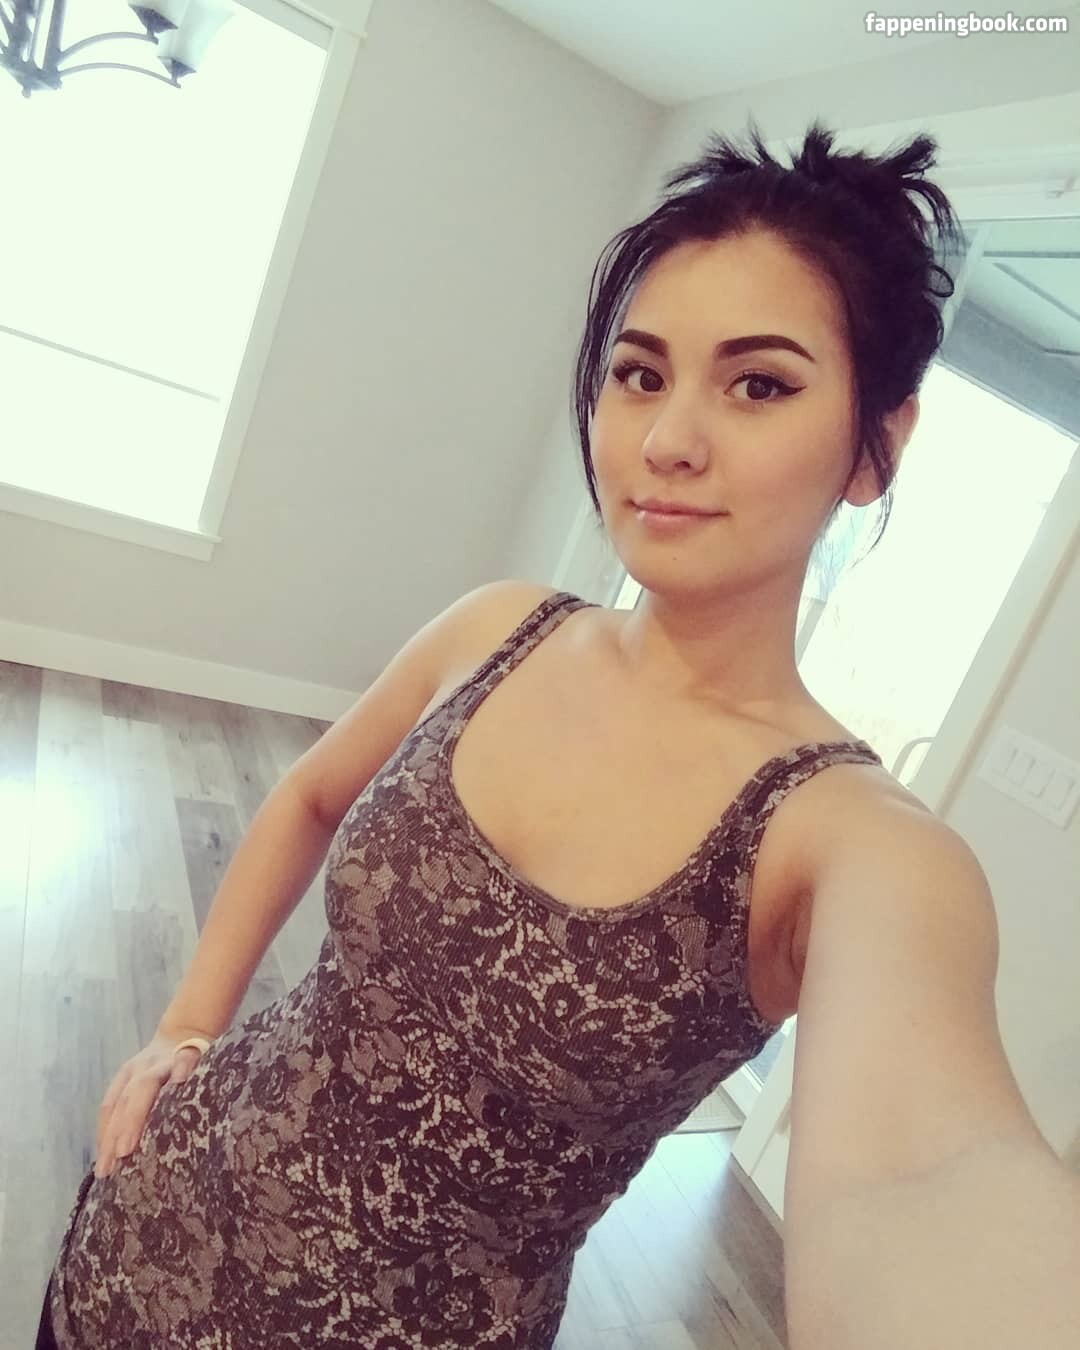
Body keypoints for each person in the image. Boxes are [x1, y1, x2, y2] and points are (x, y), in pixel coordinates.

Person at [37, 117, 1079, 1350]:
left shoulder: (850, 843)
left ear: (878, 448)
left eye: (759, 384)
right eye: (639, 374)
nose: (667, 440)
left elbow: (930, 1180)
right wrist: (185, 1026)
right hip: (146, 1237)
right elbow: (311, 798)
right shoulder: (500, 628)